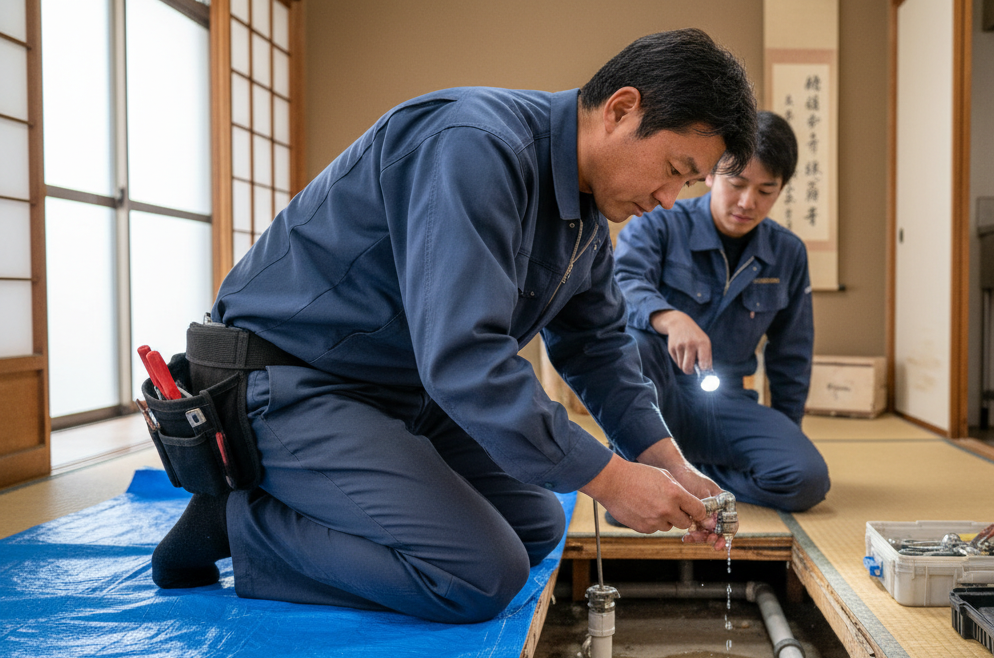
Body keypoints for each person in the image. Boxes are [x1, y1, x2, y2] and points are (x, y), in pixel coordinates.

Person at [149, 29, 758, 624]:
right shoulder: (474, 144)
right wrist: (610, 478)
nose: (671, 198)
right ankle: (239, 523)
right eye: (676, 169)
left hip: (394, 390)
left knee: (538, 524)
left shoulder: (587, 223)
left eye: (689, 183)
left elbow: (597, 350)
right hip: (285, 379)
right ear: (622, 110)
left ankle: (290, 506)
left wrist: (666, 463)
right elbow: (465, 359)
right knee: (478, 575)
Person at [612, 112, 829, 515]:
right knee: (635, 343)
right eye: (738, 184)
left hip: (725, 402)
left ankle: (689, 478)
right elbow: (621, 282)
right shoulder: (658, 224)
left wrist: (783, 434)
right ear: (711, 175)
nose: (748, 202)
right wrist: (668, 316)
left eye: (766, 190)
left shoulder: (788, 252)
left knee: (805, 480)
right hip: (656, 399)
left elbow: (792, 354)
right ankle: (641, 477)